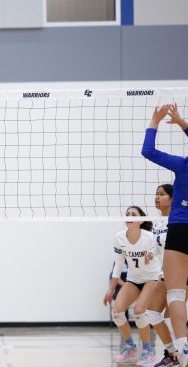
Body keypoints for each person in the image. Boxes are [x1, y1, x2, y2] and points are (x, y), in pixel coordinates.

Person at [142, 103, 188, 365]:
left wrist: (155, 121)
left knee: (175, 295)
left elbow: (147, 151)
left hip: (181, 228)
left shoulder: (182, 166)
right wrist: (183, 123)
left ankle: (182, 353)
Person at [103, 206, 160, 365]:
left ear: (141, 220)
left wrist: (151, 255)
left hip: (151, 278)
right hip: (133, 279)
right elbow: (118, 264)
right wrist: (111, 288)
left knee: (139, 311)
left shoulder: (149, 237)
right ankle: (130, 347)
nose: (129, 216)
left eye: (133, 214)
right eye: (127, 214)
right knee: (117, 312)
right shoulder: (119, 237)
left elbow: (159, 254)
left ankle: (148, 351)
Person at [145, 184, 181, 366]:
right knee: (151, 313)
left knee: (172, 316)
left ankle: (183, 354)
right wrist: (150, 252)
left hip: (182, 274)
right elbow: (158, 247)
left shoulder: (178, 220)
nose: (157, 197)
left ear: (173, 198)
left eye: (162, 194)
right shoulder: (158, 224)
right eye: (156, 194)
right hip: (165, 273)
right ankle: (172, 353)